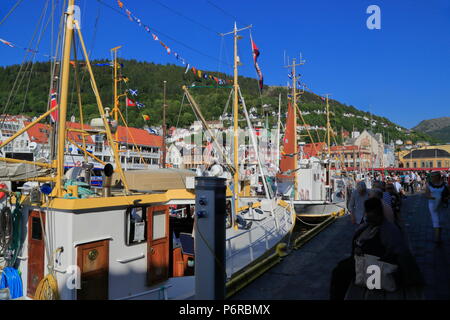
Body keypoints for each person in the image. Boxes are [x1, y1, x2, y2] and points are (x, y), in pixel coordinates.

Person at [330, 198, 424, 300]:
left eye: (368, 212)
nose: (366, 214)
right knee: (340, 270)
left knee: (339, 273)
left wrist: (411, 277)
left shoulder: (386, 230)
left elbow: (401, 253)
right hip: (367, 262)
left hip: (375, 266)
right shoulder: (375, 225)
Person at [424, 171, 449, 244]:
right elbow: (426, 195)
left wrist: (445, 198)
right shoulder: (429, 184)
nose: (431, 178)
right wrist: (434, 198)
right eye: (431, 177)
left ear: (438, 177)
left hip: (442, 204)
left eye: (433, 177)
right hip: (432, 204)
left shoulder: (445, 185)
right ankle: (437, 238)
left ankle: (439, 236)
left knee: (441, 220)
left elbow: (449, 194)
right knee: (436, 220)